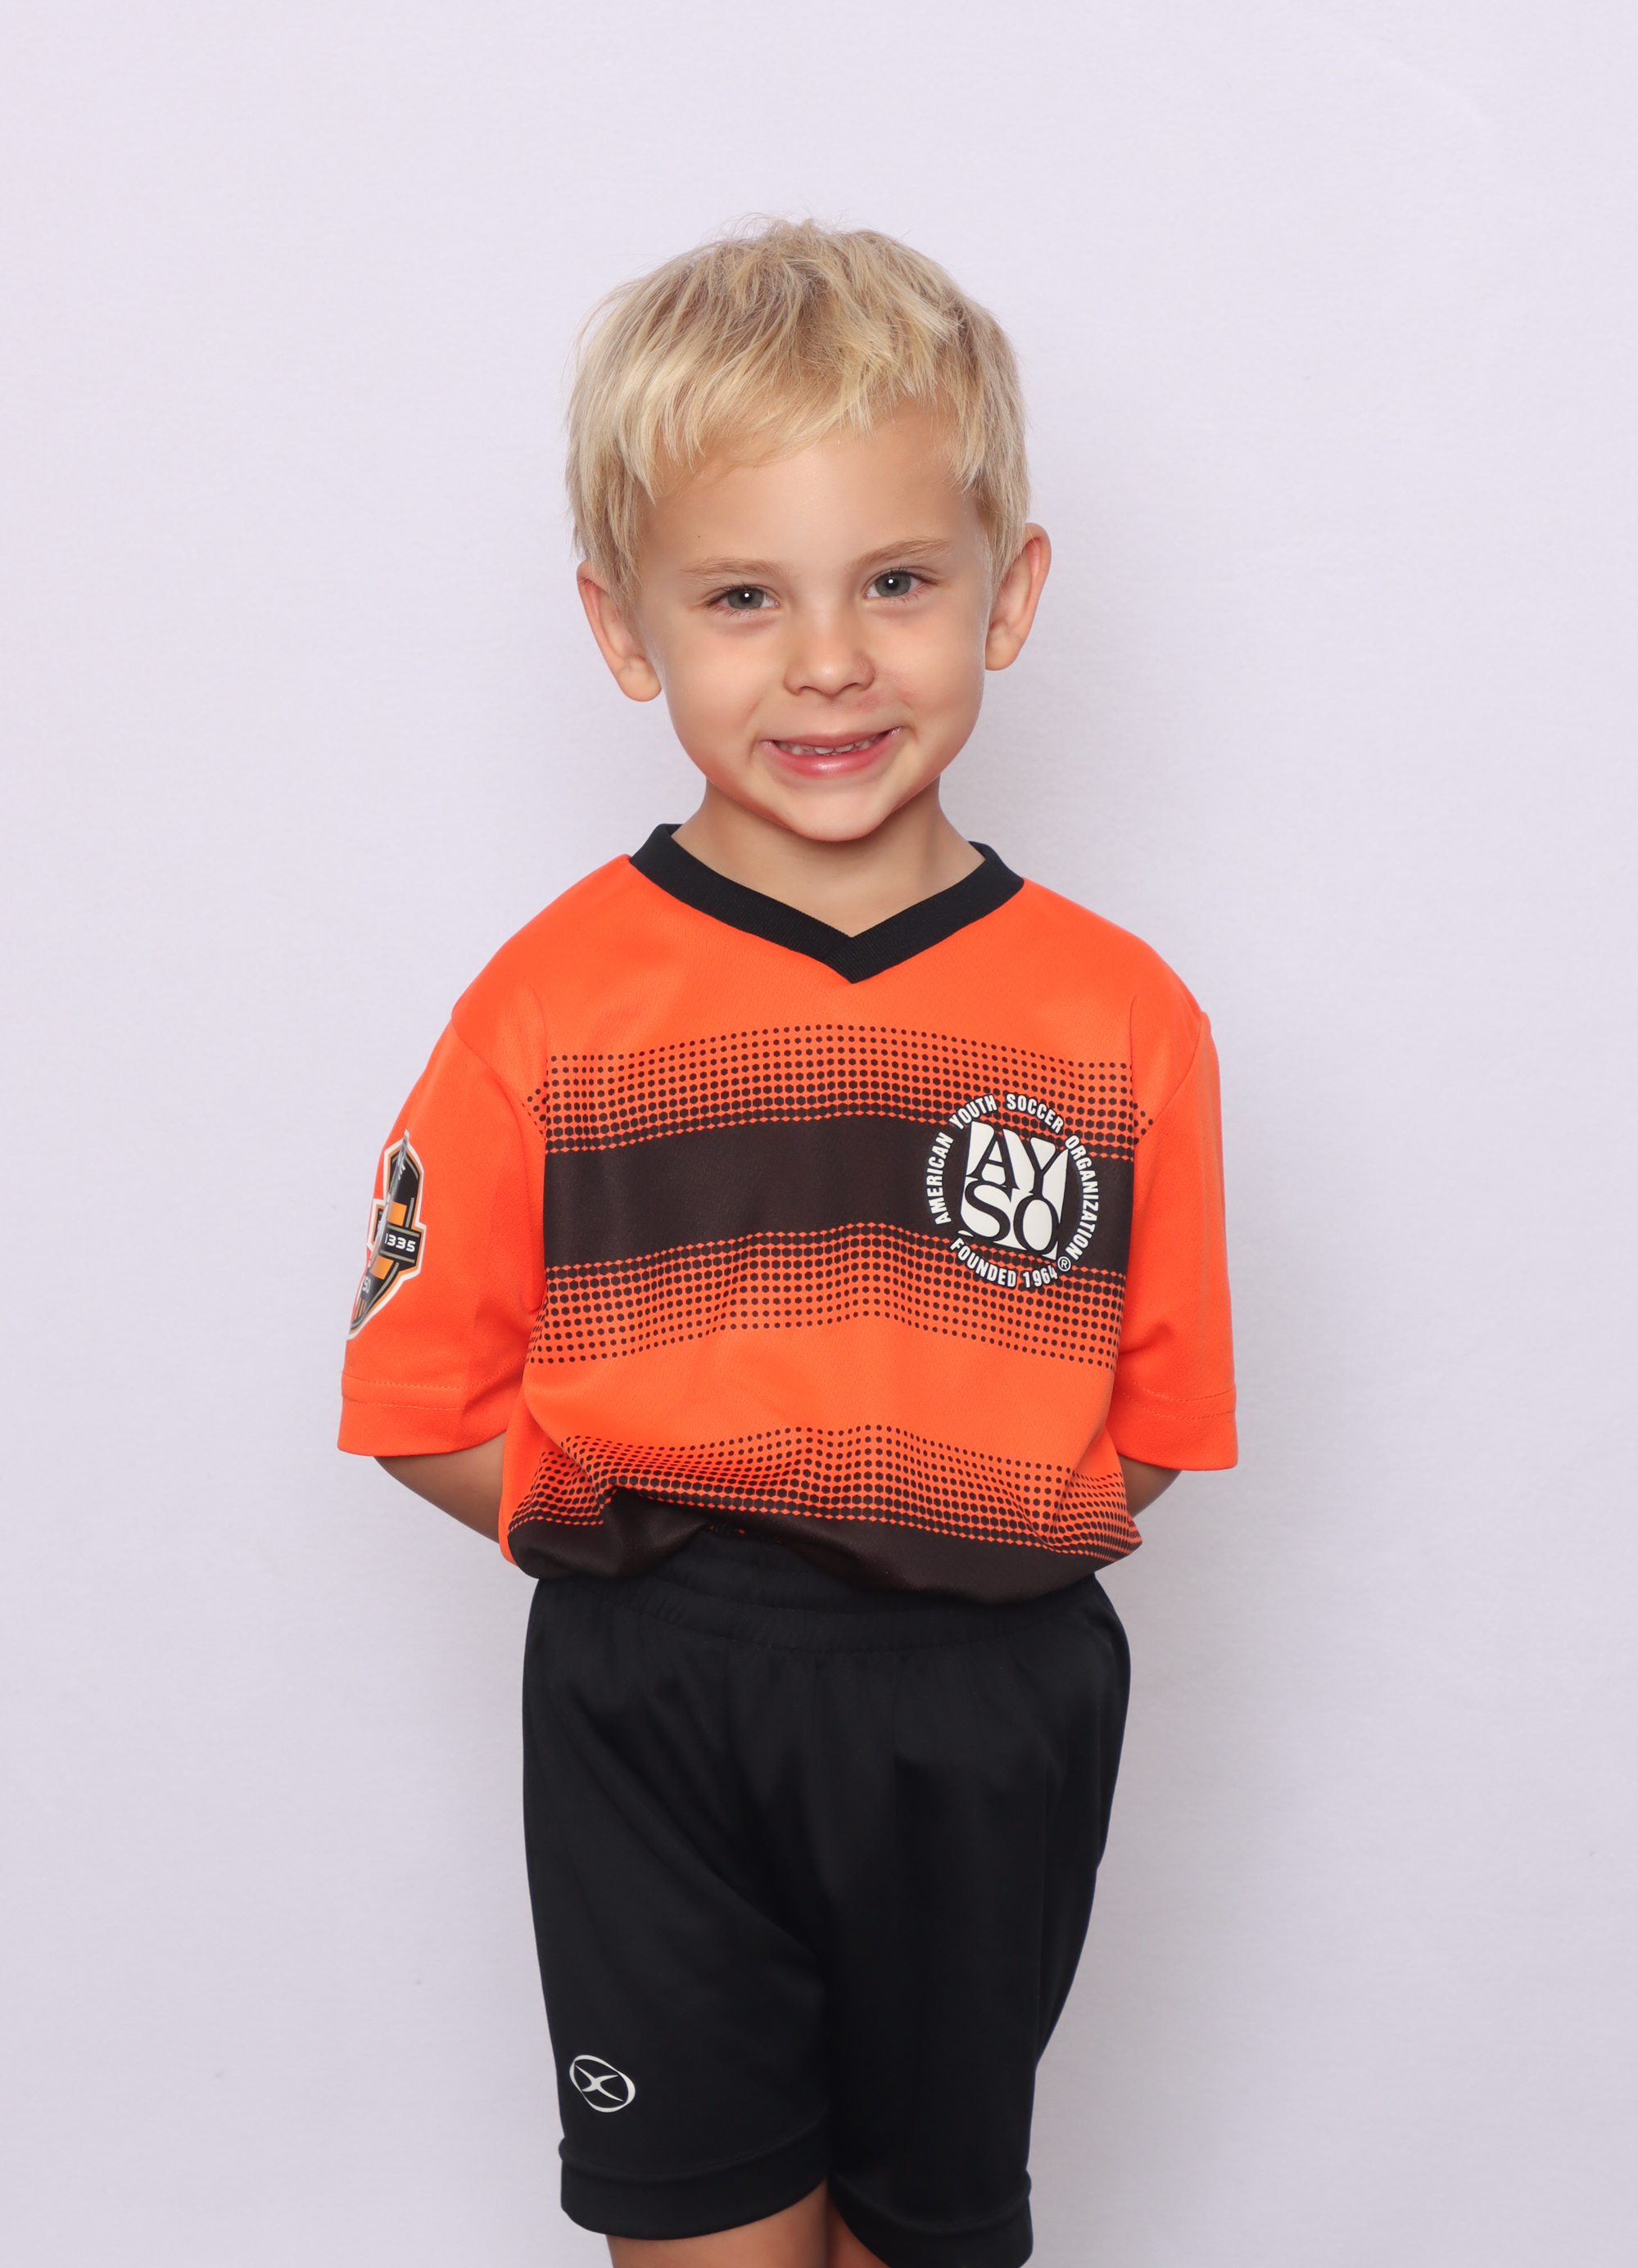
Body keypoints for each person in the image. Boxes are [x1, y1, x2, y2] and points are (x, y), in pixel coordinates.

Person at [338, 219, 1236, 2268]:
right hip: (659, 1692)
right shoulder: (550, 1003)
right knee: (710, 2237)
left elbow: (1154, 1419)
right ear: (623, 625)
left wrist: (944, 1527)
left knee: (930, 2229)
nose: (827, 659)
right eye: (743, 595)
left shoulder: (1118, 1016)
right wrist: (660, 1552)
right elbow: (414, 1391)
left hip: (987, 1701)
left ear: (1008, 592)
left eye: (894, 581)